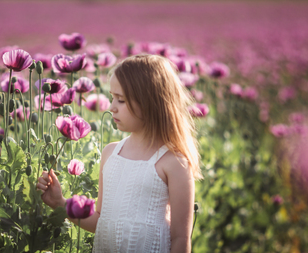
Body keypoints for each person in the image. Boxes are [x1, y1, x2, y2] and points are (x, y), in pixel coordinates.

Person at [37, 54, 203, 253]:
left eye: (121, 100)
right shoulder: (111, 154)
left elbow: (180, 239)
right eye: (112, 98)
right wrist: (60, 203)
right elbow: (102, 221)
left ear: (151, 102)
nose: (112, 107)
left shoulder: (174, 162)